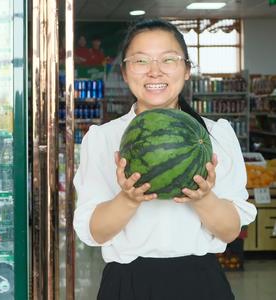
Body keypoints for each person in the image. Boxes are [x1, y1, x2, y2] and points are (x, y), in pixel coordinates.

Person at [73, 18, 257, 300]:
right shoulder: (103, 139)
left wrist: (204, 197)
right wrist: (128, 199)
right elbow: (95, 233)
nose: (154, 71)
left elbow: (231, 231)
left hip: (202, 283)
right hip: (127, 285)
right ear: (124, 72)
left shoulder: (215, 135)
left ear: (186, 70)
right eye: (141, 61)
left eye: (168, 60)